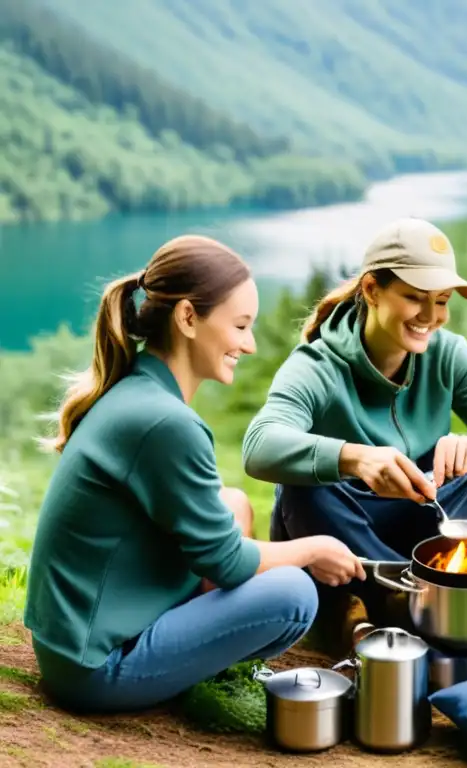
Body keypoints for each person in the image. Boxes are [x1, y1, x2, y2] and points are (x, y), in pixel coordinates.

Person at [23, 235, 366, 715]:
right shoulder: (166, 422)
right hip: (97, 670)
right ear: (187, 317)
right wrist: (314, 549)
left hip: (74, 641)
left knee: (234, 505)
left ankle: (188, 641)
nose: (248, 344)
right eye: (241, 326)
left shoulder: (137, 389)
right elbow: (227, 564)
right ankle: (183, 659)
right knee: (293, 594)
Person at [242, 218, 467, 625]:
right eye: (415, 297)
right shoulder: (318, 364)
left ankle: (432, 571)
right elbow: (258, 445)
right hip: (345, 528)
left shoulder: (447, 354)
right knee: (300, 490)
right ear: (372, 290)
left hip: (423, 513)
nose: (431, 316)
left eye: (442, 300)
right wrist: (355, 458)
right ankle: (409, 589)